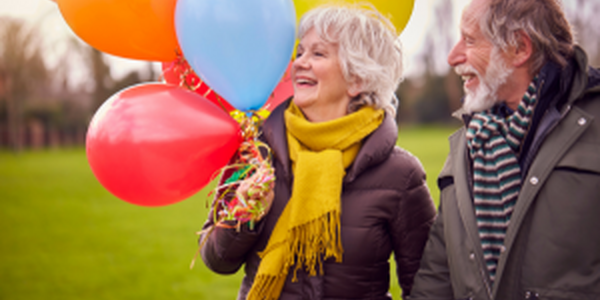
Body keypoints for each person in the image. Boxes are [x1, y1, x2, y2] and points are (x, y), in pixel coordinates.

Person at [198, 5, 436, 300]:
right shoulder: (256, 154)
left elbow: (430, 283)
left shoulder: (400, 174)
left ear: (357, 79)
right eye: (299, 53)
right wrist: (245, 215)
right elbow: (215, 260)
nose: (298, 64)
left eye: (318, 54)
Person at [409, 0, 600, 299]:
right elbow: (437, 277)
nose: (452, 56)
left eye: (469, 40)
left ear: (519, 49)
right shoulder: (469, 142)